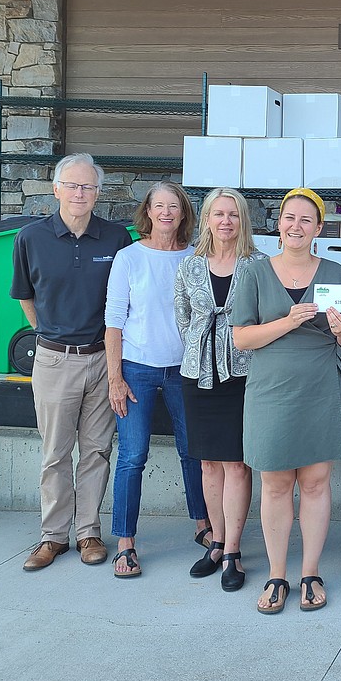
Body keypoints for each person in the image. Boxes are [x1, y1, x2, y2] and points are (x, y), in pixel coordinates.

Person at [231, 188, 341, 615]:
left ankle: (310, 572)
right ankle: (276, 573)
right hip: (270, 391)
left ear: (319, 228)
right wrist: (287, 322)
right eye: (289, 218)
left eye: (306, 219)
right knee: (275, 483)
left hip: (320, 387)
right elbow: (242, 337)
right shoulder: (254, 273)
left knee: (316, 483)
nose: (296, 226)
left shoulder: (337, 273)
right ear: (279, 224)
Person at [11, 153, 133, 571]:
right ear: (56, 188)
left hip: (103, 360)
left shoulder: (117, 238)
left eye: (88, 187)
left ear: (98, 192)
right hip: (54, 360)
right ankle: (52, 537)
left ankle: (89, 533)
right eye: (73, 185)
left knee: (97, 450)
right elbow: (25, 294)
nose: (80, 193)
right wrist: (50, 333)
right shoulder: (31, 237)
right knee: (55, 453)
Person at [105, 181, 208, 578]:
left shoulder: (195, 257)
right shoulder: (128, 258)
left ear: (183, 214)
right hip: (137, 369)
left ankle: (204, 526)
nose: (166, 213)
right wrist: (115, 378)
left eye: (174, 206)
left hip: (185, 369)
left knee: (193, 451)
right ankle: (126, 542)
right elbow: (114, 322)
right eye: (158, 206)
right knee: (132, 456)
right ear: (147, 211)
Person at [175, 188, 267, 592]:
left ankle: (232, 550)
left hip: (243, 375)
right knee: (208, 463)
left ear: (242, 220)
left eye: (232, 214)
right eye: (218, 214)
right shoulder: (189, 267)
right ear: (207, 219)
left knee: (236, 463)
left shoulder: (259, 265)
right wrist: (202, 348)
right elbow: (183, 316)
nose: (225, 221)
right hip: (197, 375)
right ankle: (214, 541)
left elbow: (266, 317)